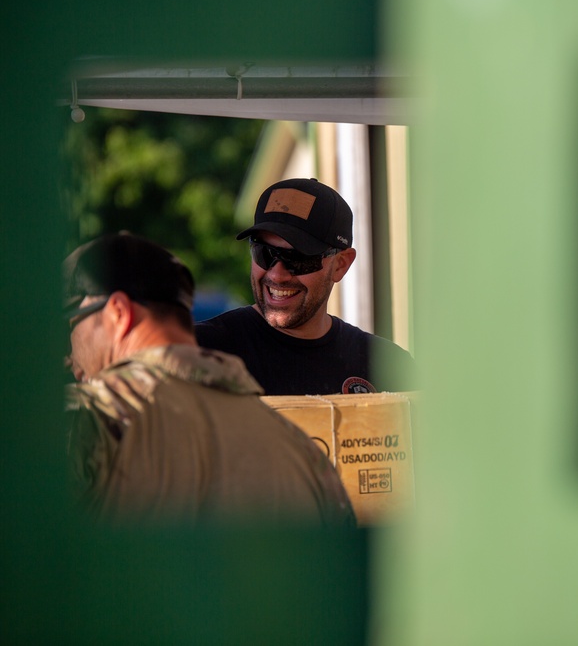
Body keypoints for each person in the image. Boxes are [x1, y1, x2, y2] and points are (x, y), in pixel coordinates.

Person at [64, 232, 355, 525]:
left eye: (70, 322)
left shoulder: (86, 420)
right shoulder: (301, 453)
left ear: (117, 313)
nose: (67, 354)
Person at [196, 178, 415, 395]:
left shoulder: (389, 368)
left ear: (341, 265)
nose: (276, 274)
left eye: (298, 259)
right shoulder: (199, 354)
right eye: (264, 253)